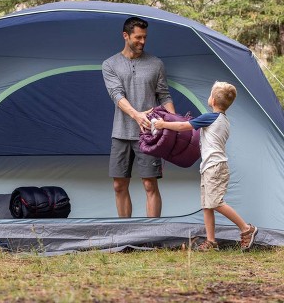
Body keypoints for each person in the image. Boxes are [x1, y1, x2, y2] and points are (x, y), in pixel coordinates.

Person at [154, 81, 258, 251]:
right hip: (211, 166)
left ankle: (247, 229)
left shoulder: (210, 117)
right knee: (207, 205)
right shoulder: (223, 120)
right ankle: (211, 242)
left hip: (214, 167)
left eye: (210, 94)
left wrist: (163, 124)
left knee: (215, 202)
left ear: (213, 101)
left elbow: (182, 126)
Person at [102, 16, 175, 218]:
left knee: (150, 184)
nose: (142, 42)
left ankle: (151, 236)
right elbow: (116, 95)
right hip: (121, 133)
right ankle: (126, 232)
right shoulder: (110, 64)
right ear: (125, 36)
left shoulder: (156, 64)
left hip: (150, 135)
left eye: (145, 38)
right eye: (138, 37)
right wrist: (136, 115)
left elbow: (164, 95)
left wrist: (174, 123)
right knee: (118, 185)